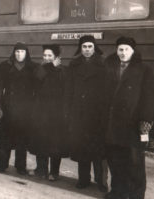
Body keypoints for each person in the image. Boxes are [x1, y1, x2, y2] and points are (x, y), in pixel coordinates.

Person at [104, 37, 154, 199]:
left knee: (135, 162)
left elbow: (149, 97)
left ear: (133, 51)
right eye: (120, 49)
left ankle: (136, 195)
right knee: (115, 160)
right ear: (116, 51)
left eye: (126, 49)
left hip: (133, 124)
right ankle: (118, 192)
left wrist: (146, 120)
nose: (123, 53)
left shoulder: (144, 70)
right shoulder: (110, 67)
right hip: (112, 123)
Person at [65, 35, 108, 192]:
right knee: (82, 148)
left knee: (99, 151)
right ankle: (83, 179)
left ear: (94, 48)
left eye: (90, 46)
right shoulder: (74, 65)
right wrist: (69, 111)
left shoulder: (103, 65)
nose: (87, 50)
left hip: (97, 114)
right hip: (79, 113)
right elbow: (69, 90)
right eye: (84, 47)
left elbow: (107, 91)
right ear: (80, 48)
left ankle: (101, 181)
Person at [0, 42, 37, 175]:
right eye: (17, 52)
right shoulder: (5, 66)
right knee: (4, 139)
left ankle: (21, 167)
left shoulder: (32, 67)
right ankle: (0, 164)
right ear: (13, 53)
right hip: (7, 107)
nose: (19, 54)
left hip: (24, 109)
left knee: (22, 139)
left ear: (26, 53)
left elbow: (40, 83)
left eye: (22, 52)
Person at [28, 44, 69, 181]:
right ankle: (41, 169)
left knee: (55, 143)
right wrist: (50, 66)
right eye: (44, 55)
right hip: (41, 112)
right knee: (41, 141)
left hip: (56, 113)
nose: (46, 58)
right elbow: (36, 81)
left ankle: (54, 172)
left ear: (57, 57)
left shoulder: (63, 71)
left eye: (49, 56)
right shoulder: (40, 69)